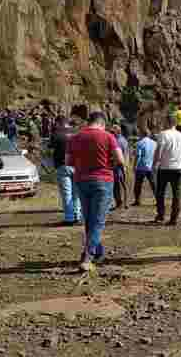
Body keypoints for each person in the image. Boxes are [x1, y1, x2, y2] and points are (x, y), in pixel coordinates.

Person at [67, 112, 125, 272]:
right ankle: (88, 257)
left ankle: (97, 252)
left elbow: (68, 162)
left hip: (81, 180)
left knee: (89, 219)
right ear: (102, 123)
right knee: (98, 220)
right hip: (103, 180)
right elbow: (120, 160)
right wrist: (110, 164)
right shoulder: (108, 137)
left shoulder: (75, 138)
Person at [152, 115, 181, 226]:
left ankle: (161, 215)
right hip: (179, 167)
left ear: (166, 122)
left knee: (160, 193)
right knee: (177, 194)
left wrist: (155, 164)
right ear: (176, 123)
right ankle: (174, 218)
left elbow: (158, 151)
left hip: (164, 167)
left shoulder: (163, 134)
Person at [50, 116, 82, 226]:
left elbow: (50, 148)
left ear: (58, 123)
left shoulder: (56, 134)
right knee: (76, 193)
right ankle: (77, 215)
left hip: (62, 165)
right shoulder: (77, 132)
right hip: (78, 165)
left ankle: (69, 218)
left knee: (66, 193)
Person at [131, 128, 157, 207]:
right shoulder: (154, 143)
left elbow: (138, 156)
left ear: (142, 134)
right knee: (154, 184)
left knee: (138, 185)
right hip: (151, 166)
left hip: (141, 167)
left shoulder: (139, 143)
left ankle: (137, 200)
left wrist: (134, 166)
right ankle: (158, 199)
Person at [111, 125, 129, 210]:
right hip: (122, 164)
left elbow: (119, 154)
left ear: (117, 132)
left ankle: (120, 202)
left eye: (113, 132)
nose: (111, 133)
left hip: (119, 165)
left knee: (118, 184)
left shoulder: (118, 141)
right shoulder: (123, 140)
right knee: (123, 185)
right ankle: (124, 202)